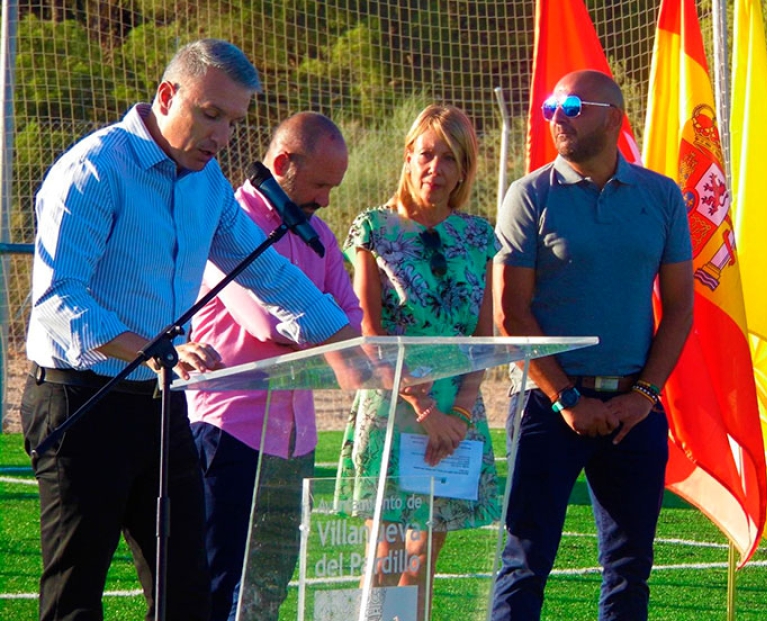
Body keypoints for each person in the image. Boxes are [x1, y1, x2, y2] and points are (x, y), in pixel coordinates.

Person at [20, 39, 356, 621]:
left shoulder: (208, 185)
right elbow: (57, 300)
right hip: (79, 399)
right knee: (75, 599)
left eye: (233, 121)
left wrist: (354, 349)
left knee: (187, 595)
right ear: (168, 95)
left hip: (159, 403)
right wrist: (152, 351)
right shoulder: (95, 168)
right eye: (211, 114)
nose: (223, 135)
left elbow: (271, 274)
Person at [490, 70, 694, 621]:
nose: (557, 115)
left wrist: (644, 395)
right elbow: (512, 314)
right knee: (525, 561)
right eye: (551, 105)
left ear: (613, 116)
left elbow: (679, 308)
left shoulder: (661, 195)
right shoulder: (529, 195)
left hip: (635, 408)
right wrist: (566, 399)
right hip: (546, 405)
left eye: (573, 105)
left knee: (630, 568)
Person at [186, 111, 364, 621]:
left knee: (272, 586)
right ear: (283, 162)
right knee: (217, 579)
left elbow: (350, 316)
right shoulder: (229, 223)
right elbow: (266, 321)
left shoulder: (320, 234)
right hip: (229, 430)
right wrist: (329, 335)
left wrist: (332, 332)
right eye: (320, 185)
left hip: (296, 439)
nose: (326, 199)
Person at [336, 104, 501, 619]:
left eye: (450, 158)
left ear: (464, 168)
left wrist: (459, 413)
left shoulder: (479, 236)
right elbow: (369, 329)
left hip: (458, 417)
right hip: (392, 408)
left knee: (422, 560)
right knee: (384, 556)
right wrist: (423, 407)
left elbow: (483, 335)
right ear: (408, 157)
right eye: (426, 154)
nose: (436, 168)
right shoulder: (373, 229)